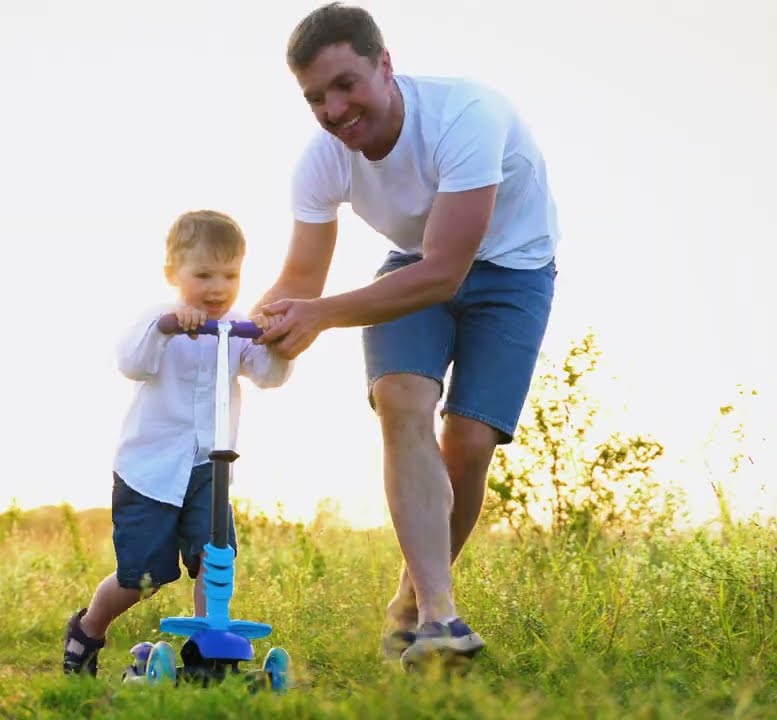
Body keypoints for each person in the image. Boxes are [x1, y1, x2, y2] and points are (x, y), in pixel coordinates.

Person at [251, 2, 560, 665]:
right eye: (315, 98)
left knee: (470, 440)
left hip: (513, 271)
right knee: (400, 401)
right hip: (413, 265)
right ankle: (440, 619)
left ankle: (411, 600)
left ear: (385, 65)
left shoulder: (465, 116)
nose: (334, 110)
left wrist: (322, 315)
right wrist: (250, 324)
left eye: (345, 85)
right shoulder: (321, 161)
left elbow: (445, 274)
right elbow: (301, 280)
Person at [62, 209, 294, 676]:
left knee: (215, 559)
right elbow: (132, 361)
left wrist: (280, 342)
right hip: (149, 471)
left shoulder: (235, 326)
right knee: (141, 579)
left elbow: (268, 375)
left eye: (229, 275)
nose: (217, 287)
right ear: (173, 273)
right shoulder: (157, 321)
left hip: (210, 467)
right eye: (203, 274)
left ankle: (207, 651)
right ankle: (87, 629)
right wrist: (169, 327)